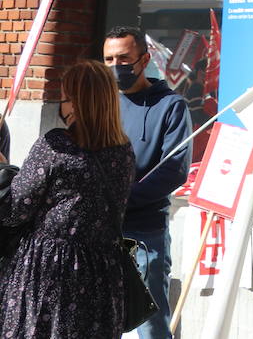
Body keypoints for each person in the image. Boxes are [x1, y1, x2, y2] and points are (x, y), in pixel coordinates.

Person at [0, 60, 134, 338]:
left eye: (64, 96)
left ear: (76, 103)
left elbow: (13, 209)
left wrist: (3, 169)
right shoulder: (124, 151)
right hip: (102, 274)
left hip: (50, 270)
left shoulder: (56, 146)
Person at [104, 25, 190, 339]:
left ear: (144, 59)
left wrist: (123, 198)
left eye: (123, 58)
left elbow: (174, 169)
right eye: (109, 59)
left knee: (150, 326)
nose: (116, 67)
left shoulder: (171, 106)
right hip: (99, 229)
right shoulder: (103, 103)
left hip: (144, 235)